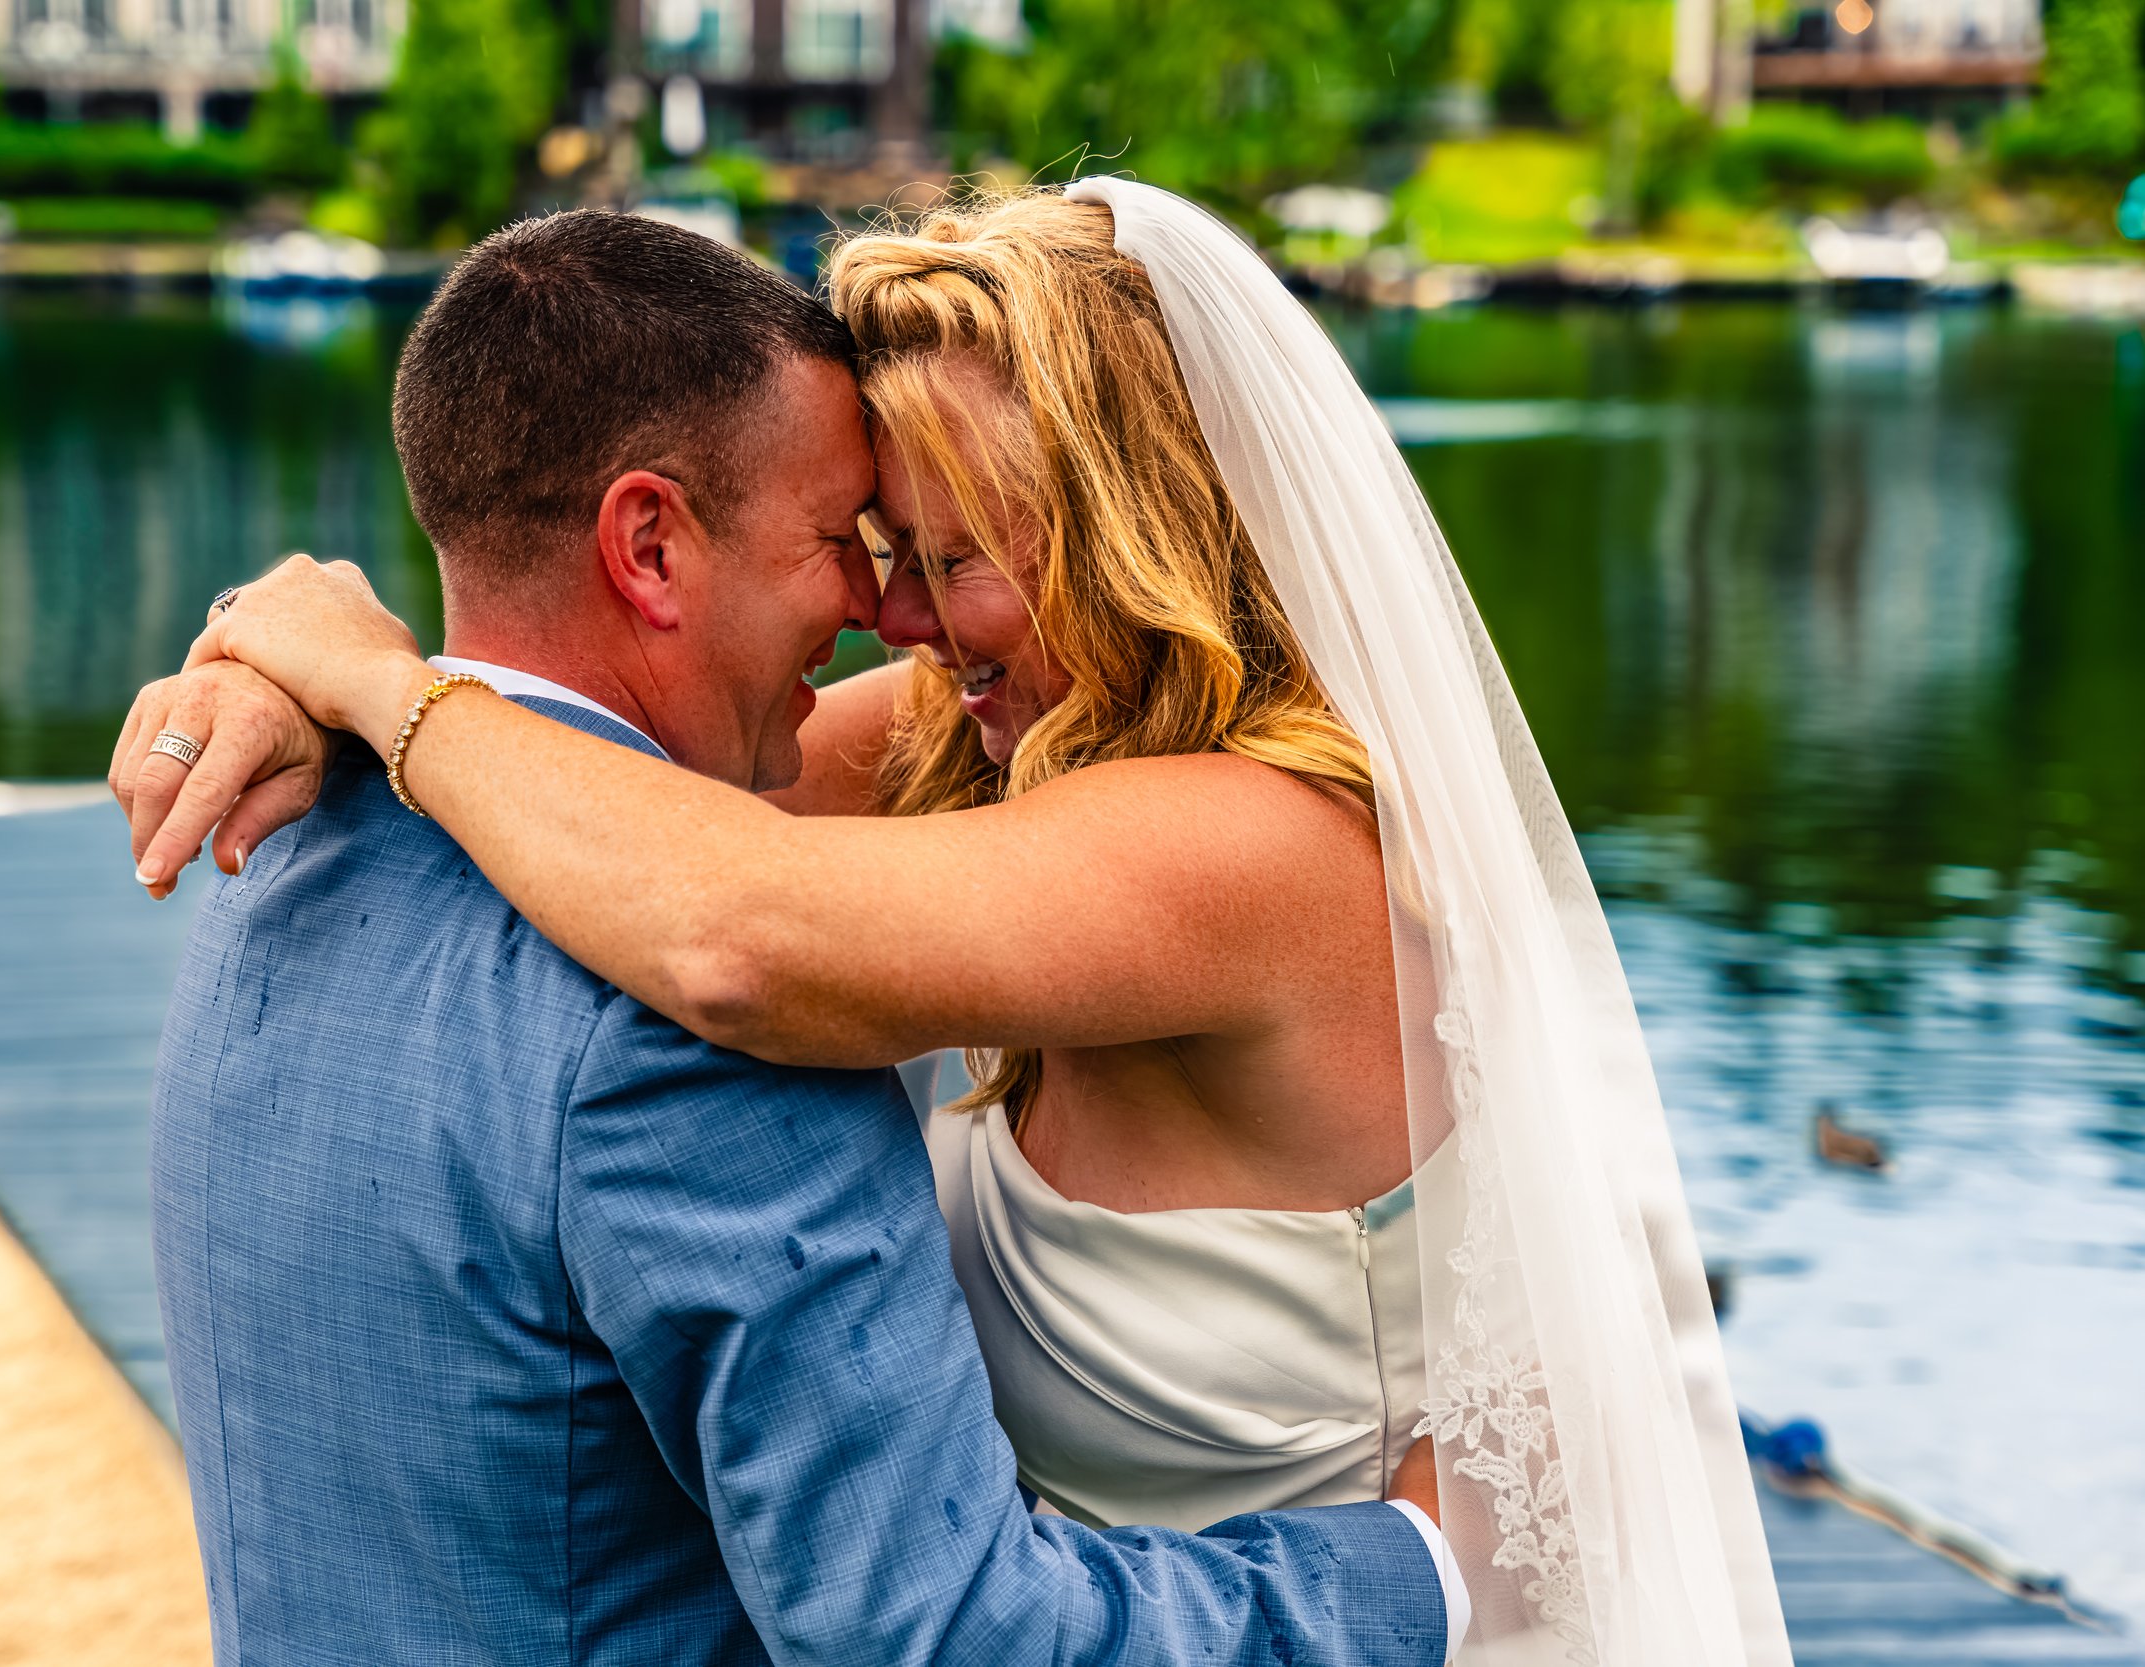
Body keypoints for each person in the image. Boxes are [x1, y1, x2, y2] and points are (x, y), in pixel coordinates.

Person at [126, 184, 1794, 1664]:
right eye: (870, 548)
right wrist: (282, 693)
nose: (888, 619)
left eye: (948, 555)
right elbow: (610, 777)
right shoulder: (983, 735)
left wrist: (378, 688)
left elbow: (724, 920)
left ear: (1130, 545)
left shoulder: (1262, 847)